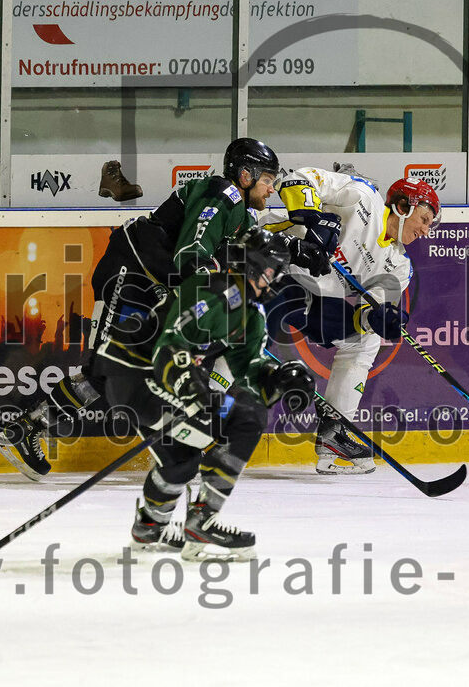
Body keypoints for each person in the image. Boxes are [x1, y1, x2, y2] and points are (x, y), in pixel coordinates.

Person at [0, 138, 323, 481]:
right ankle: (25, 428)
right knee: (107, 367)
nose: (271, 189)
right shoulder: (222, 195)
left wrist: (293, 249)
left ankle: (29, 427)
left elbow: (242, 251)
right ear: (245, 174)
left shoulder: (238, 208)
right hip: (130, 274)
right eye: (268, 180)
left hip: (152, 285)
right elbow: (190, 255)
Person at [94, 226, 315, 561]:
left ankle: (149, 527)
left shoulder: (251, 313)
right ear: (254, 266)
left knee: (182, 460)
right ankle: (202, 519)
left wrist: (280, 379)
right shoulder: (216, 292)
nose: (276, 279)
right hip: (134, 375)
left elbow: (250, 371)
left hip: (158, 381)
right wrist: (194, 394)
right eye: (274, 270)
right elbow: (170, 349)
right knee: (247, 416)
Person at [262, 164, 441, 475]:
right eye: (424, 219)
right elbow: (300, 178)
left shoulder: (399, 266)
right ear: (402, 206)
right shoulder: (362, 198)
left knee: (365, 339)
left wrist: (382, 318)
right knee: (238, 342)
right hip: (270, 264)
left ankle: (334, 429)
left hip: (304, 297)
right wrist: (312, 218)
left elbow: (370, 313)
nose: (426, 230)